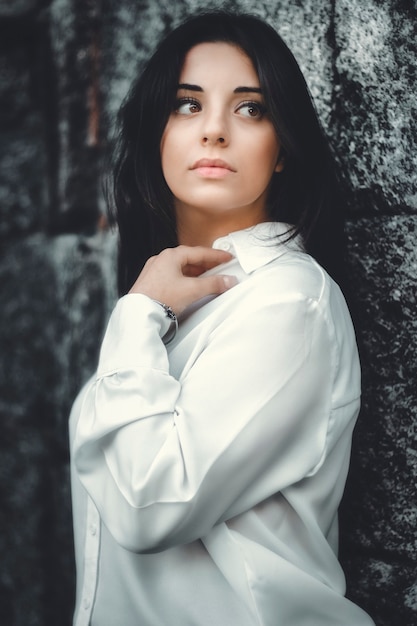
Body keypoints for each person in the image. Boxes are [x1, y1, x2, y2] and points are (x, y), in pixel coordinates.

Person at [69, 11, 375, 626]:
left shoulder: (288, 300)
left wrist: (137, 314)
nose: (213, 130)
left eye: (250, 109)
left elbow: (151, 508)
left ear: (282, 146)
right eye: (187, 105)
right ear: (157, 131)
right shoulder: (174, 306)